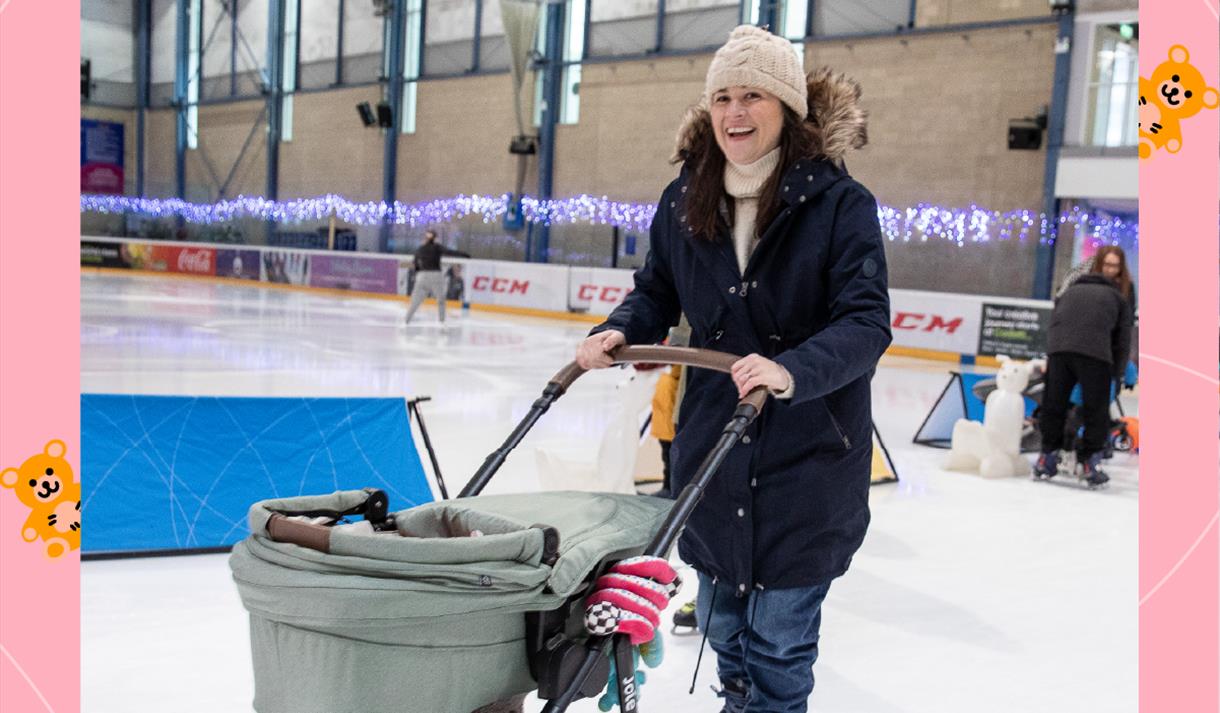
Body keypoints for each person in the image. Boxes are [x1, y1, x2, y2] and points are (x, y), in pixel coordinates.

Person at [574, 25, 891, 713]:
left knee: (777, 642)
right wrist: (619, 329)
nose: (734, 113)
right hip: (713, 451)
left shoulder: (840, 206)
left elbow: (865, 323)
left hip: (807, 457)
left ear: (786, 107)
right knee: (722, 627)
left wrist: (789, 369)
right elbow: (656, 290)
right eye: (722, 96)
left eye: (752, 95)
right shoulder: (685, 198)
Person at [1033, 258, 1133, 487]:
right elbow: (1122, 341)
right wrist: (1116, 374)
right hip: (1095, 354)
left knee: (1054, 404)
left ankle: (1046, 457)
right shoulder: (1118, 298)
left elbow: (1054, 324)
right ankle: (1089, 462)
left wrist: (1052, 356)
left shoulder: (1070, 292)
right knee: (1095, 409)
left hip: (1059, 351)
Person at [404, 230, 446, 325]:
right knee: (440, 300)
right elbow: (449, 251)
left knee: (415, 301)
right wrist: (465, 255)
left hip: (422, 276)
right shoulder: (437, 247)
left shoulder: (421, 248)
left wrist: (418, 273)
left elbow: (415, 262)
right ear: (435, 238)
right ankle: (442, 322)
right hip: (435, 275)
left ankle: (406, 320)